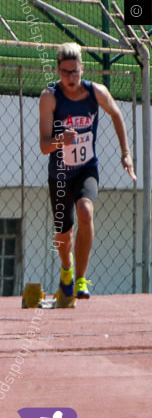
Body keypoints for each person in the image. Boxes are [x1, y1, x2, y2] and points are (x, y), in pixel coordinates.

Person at [39, 42, 136, 303]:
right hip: (59, 174)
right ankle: (67, 269)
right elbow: (44, 145)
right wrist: (61, 140)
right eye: (65, 72)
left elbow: (117, 114)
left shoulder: (96, 92)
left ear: (83, 68)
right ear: (58, 70)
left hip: (86, 169)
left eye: (75, 72)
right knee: (64, 236)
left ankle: (80, 278)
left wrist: (125, 153)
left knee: (85, 210)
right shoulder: (49, 97)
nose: (71, 78)